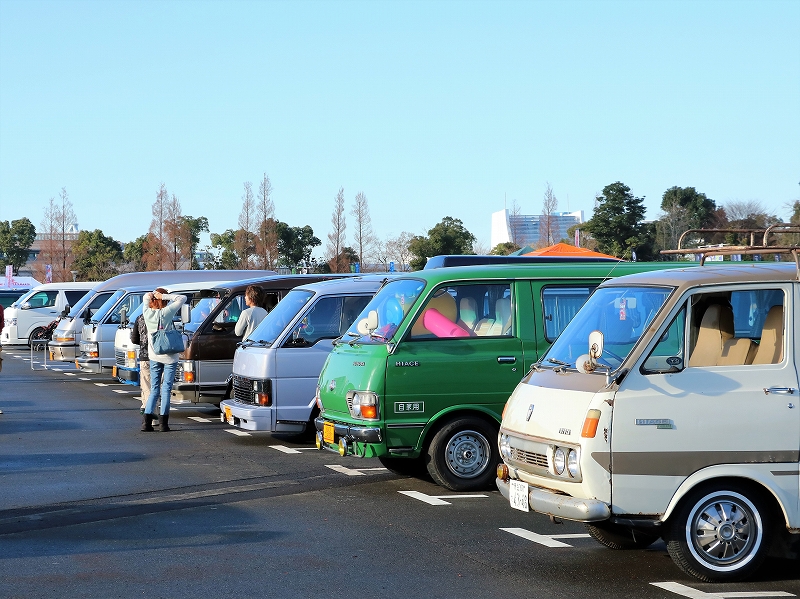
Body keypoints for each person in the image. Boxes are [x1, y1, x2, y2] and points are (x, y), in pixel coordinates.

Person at [141, 288, 186, 432]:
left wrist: (149, 296)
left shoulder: (147, 314)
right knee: (166, 388)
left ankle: (146, 423)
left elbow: (144, 300)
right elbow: (182, 298)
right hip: (170, 357)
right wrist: (165, 295)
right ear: (164, 300)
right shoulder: (167, 312)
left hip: (154, 356)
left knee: (154, 389)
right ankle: (163, 423)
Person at [129, 313, 151, 417]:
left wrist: (143, 342)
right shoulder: (164, 315)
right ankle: (158, 415)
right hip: (161, 356)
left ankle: (148, 411)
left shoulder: (141, 317)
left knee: (146, 385)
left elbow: (134, 339)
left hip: (145, 355)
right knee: (159, 386)